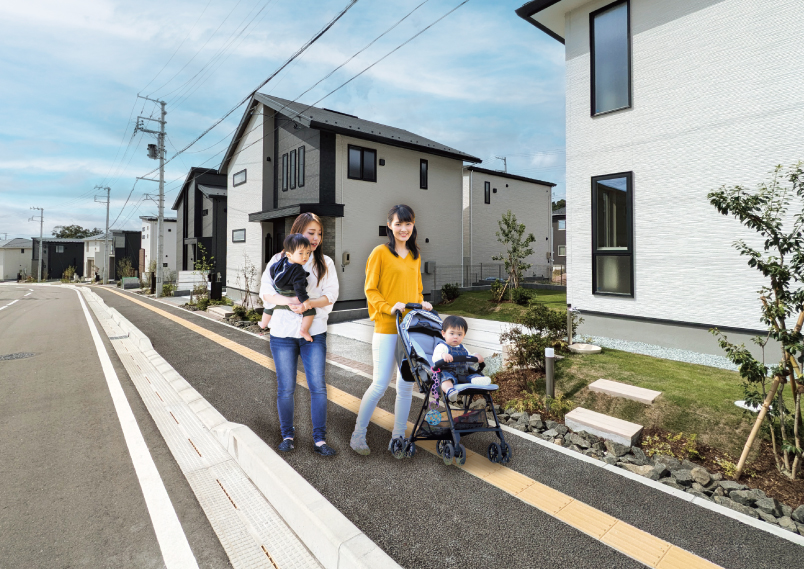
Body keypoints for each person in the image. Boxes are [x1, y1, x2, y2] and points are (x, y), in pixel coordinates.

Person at [350, 204, 433, 456]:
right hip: (387, 327)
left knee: (406, 386)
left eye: (408, 224)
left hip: (410, 331)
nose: (404, 229)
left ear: (413, 225)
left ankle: (398, 438)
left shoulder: (416, 254)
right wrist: (389, 307)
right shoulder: (380, 253)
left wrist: (423, 303)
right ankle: (358, 435)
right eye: (398, 224)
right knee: (380, 383)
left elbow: (417, 290)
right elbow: (370, 289)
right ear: (389, 225)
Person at [260, 213, 338, 457]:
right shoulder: (277, 260)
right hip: (282, 333)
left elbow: (331, 295)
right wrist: (291, 300)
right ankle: (287, 435)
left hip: (313, 333)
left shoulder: (324, 262)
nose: (315, 238)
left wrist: (307, 304)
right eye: (310, 233)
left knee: (318, 387)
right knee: (285, 388)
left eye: (319, 234)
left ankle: (320, 440)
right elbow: (266, 293)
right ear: (297, 232)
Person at [259, 234, 316, 341]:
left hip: (279, 292)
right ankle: (304, 329)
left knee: (270, 306)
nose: (305, 256)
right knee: (310, 311)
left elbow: (272, 270)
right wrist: (306, 301)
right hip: (291, 293)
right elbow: (299, 288)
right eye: (301, 253)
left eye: (308, 253)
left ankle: (263, 323)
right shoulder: (298, 270)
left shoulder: (281, 261)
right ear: (289, 254)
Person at [432, 315, 490, 402]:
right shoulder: (442, 347)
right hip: (449, 373)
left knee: (473, 375)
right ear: (443, 333)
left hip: (463, 374)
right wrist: (443, 355)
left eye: (459, 334)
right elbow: (435, 357)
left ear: (464, 335)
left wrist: (475, 356)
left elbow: (469, 359)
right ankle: (449, 390)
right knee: (445, 380)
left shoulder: (463, 348)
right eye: (452, 333)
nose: (455, 337)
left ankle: (478, 380)